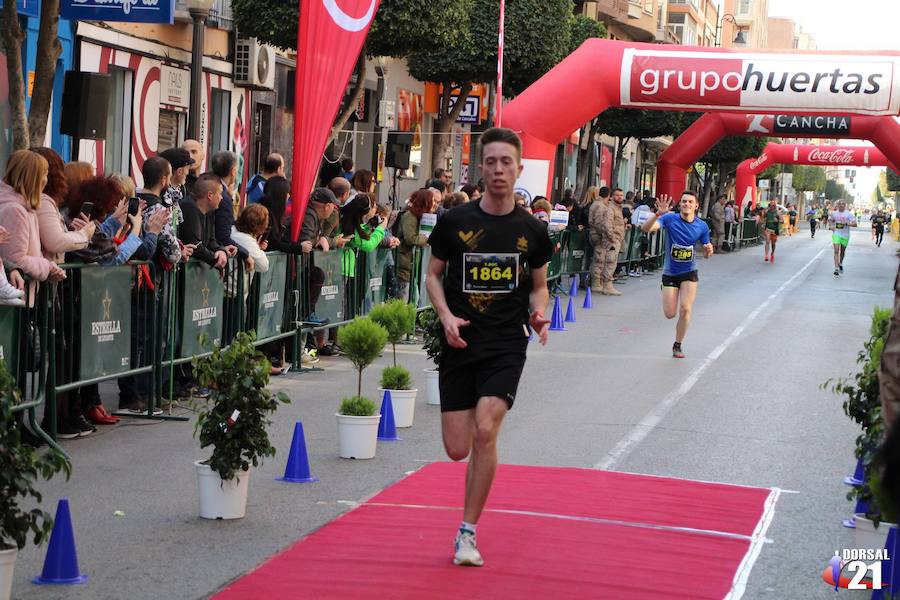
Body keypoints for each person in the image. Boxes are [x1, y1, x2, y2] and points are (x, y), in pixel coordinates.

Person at [425, 127, 552, 568]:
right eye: (491, 162)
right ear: (481, 167)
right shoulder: (455, 223)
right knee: (458, 447)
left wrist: (539, 313)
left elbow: (539, 286)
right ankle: (468, 516)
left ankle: (467, 531)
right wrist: (445, 316)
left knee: (485, 429)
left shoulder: (533, 230)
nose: (499, 170)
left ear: (518, 170)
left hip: (505, 344)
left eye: (507, 163)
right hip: (460, 342)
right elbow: (432, 275)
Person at [641, 191, 712, 359]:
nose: (686, 204)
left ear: (696, 206)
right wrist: (658, 214)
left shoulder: (702, 226)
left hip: (689, 271)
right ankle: (666, 289)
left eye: (690, 202)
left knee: (686, 309)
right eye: (683, 201)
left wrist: (709, 251)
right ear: (680, 205)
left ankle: (677, 345)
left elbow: (707, 250)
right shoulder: (669, 219)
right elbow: (646, 228)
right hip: (670, 272)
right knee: (670, 314)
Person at [397, 189, 436, 302]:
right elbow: (411, 238)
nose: (434, 204)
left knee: (414, 299)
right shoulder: (410, 217)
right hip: (405, 267)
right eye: (432, 201)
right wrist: (429, 239)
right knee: (404, 300)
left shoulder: (419, 216)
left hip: (412, 267)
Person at [589, 186, 624, 296]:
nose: (620, 197)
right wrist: (611, 237)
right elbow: (604, 224)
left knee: (608, 260)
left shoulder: (615, 208)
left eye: (621, 195)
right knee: (606, 260)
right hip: (608, 238)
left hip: (612, 237)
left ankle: (603, 284)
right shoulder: (607, 208)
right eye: (617, 195)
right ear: (611, 196)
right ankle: (604, 284)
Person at [829, 200, 857, 276]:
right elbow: (831, 221)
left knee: (842, 251)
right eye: (840, 204)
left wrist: (847, 223)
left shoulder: (849, 214)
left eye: (843, 204)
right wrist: (831, 226)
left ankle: (840, 263)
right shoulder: (834, 213)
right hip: (836, 233)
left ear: (845, 205)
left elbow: (855, 224)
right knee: (836, 250)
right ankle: (836, 268)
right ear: (838, 205)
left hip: (845, 235)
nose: (841, 205)